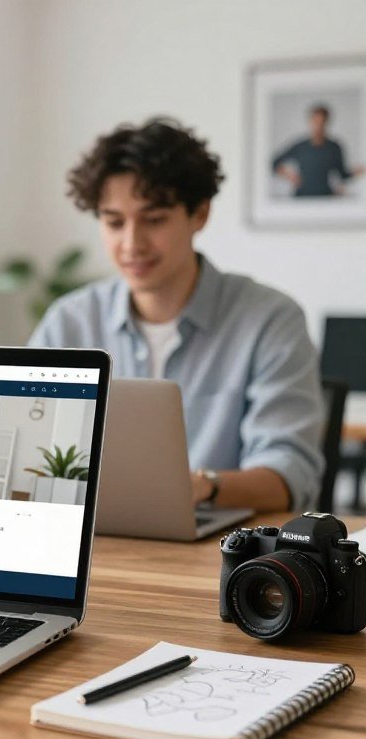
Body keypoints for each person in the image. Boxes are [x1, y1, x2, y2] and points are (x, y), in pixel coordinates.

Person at [29, 117, 323, 512]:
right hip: (101, 545)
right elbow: (32, 449)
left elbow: (289, 477)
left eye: (154, 220)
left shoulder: (270, 321)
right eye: (114, 222)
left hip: (219, 554)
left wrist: (203, 487)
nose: (131, 244)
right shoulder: (69, 321)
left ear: (199, 214)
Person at [272, 104, 364, 197]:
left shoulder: (334, 147)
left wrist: (360, 170)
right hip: (302, 197)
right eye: (316, 121)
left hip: (325, 196)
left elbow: (343, 175)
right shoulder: (300, 146)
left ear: (327, 122)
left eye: (322, 122)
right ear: (310, 122)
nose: (318, 126)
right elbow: (274, 163)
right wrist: (290, 176)